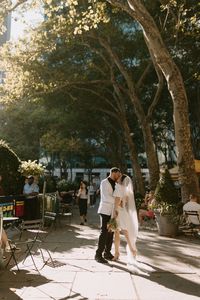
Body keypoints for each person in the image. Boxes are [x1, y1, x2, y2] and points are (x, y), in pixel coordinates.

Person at [95, 167, 121, 264]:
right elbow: (106, 197)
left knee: (111, 232)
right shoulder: (104, 182)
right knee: (104, 232)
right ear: (113, 172)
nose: (118, 176)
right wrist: (118, 201)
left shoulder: (116, 183)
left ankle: (107, 253)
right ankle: (98, 255)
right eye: (117, 174)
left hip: (113, 211)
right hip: (105, 210)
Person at [113, 174, 138, 264]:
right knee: (126, 232)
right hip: (124, 212)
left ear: (121, 180)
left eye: (119, 178)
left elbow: (118, 202)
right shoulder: (127, 191)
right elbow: (125, 202)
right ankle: (132, 249)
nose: (118, 179)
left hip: (118, 212)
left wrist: (114, 210)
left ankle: (117, 253)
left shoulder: (118, 188)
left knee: (117, 233)